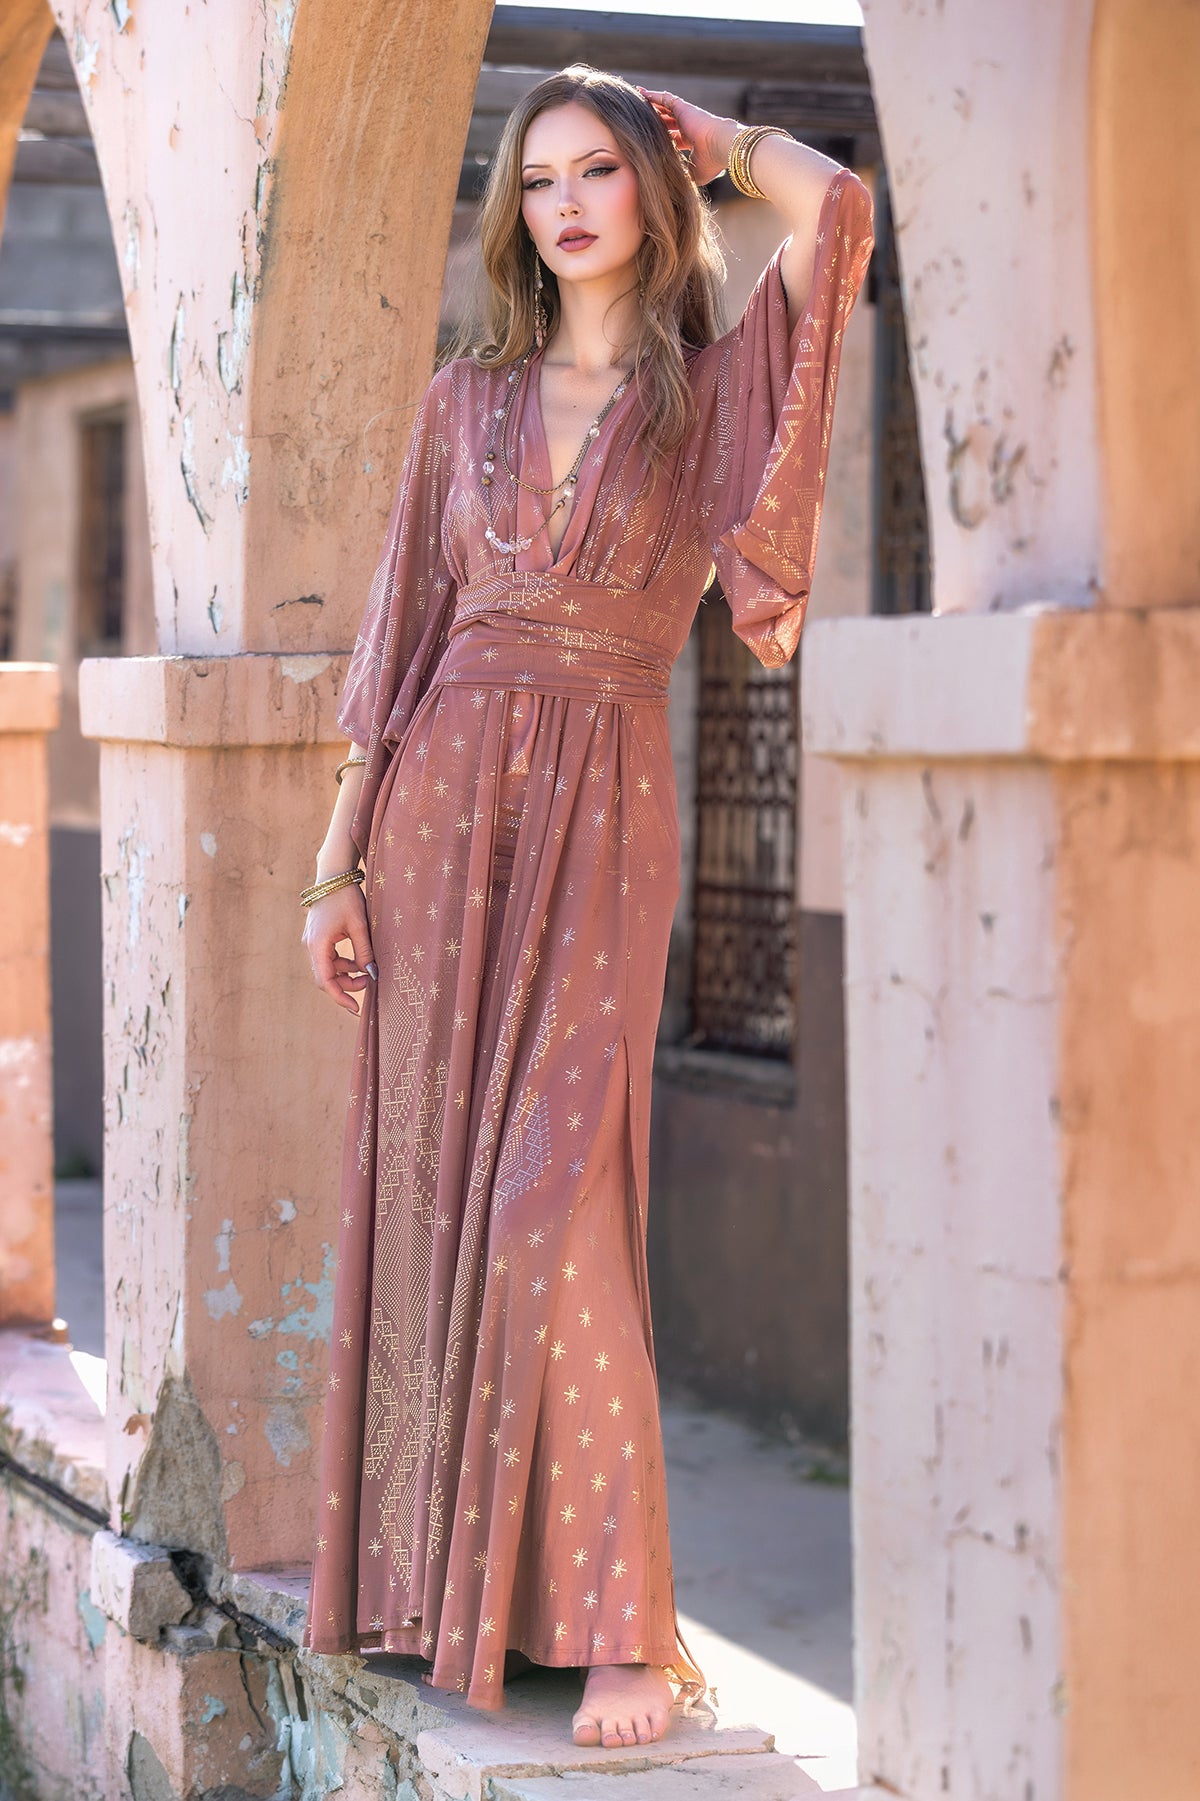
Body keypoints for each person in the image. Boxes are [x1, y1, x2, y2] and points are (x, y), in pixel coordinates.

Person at [300, 64, 873, 1753]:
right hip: (430, 813)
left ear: (650, 192)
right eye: (537, 177)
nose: (564, 203)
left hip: (608, 800)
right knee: (436, 1204)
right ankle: (434, 1589)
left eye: (598, 172)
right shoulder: (455, 403)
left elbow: (835, 211)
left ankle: (623, 1629)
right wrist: (336, 862)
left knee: (561, 1204)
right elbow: (397, 642)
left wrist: (704, 124)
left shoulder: (707, 397)